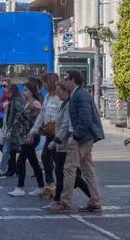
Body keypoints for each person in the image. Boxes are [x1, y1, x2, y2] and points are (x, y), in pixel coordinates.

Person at [58, 70, 104, 213]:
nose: (65, 81)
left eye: (66, 79)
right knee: (87, 170)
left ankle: (65, 202)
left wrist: (76, 136)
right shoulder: (77, 94)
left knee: (69, 168)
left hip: (81, 138)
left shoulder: (80, 95)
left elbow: (85, 118)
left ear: (73, 80)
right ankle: (95, 201)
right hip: (84, 138)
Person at [46, 81, 91, 212]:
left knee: (67, 175)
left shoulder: (69, 105)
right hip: (63, 144)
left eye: (59, 91)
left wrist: (55, 141)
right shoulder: (63, 104)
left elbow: (66, 125)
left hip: (66, 144)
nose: (57, 94)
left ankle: (61, 201)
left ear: (65, 91)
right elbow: (61, 122)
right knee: (66, 175)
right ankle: (60, 200)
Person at [8, 80, 45, 197]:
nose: (23, 92)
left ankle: (20, 187)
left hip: (31, 137)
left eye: (25, 90)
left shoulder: (36, 104)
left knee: (21, 161)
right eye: (23, 90)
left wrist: (32, 135)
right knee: (33, 162)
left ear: (32, 91)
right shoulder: (27, 103)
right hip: (25, 136)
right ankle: (41, 186)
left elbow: (37, 122)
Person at [27, 73, 61, 199]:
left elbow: (62, 115)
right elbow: (42, 114)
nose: (43, 85)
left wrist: (52, 122)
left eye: (45, 82)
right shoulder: (47, 96)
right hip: (49, 133)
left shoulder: (58, 97)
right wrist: (34, 129)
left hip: (57, 134)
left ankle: (57, 187)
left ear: (50, 82)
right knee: (47, 157)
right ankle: (51, 186)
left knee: (54, 160)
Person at [0, 82, 23, 178]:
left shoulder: (16, 101)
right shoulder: (10, 100)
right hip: (7, 128)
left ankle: (5, 170)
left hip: (11, 129)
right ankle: (12, 168)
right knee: (5, 148)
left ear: (12, 91)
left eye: (7, 91)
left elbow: (18, 116)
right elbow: (3, 111)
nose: (6, 92)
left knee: (6, 149)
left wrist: (11, 128)